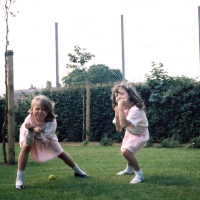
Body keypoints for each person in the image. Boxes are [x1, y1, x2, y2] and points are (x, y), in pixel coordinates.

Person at [15, 95, 89, 189]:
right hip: (29, 136)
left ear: (48, 111)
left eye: (44, 109)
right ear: (32, 109)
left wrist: (39, 133)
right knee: (25, 148)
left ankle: (79, 172)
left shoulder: (51, 121)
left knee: (61, 153)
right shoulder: (29, 119)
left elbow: (45, 141)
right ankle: (19, 180)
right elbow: (29, 141)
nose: (40, 111)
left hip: (47, 137)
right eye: (37, 108)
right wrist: (31, 130)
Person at [111, 82, 149, 184]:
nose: (118, 97)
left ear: (130, 95)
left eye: (122, 94)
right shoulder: (123, 108)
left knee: (126, 152)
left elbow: (124, 125)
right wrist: (117, 113)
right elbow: (119, 129)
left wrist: (119, 109)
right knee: (128, 152)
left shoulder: (135, 109)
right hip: (130, 133)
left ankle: (139, 175)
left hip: (141, 135)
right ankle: (129, 169)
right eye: (116, 95)